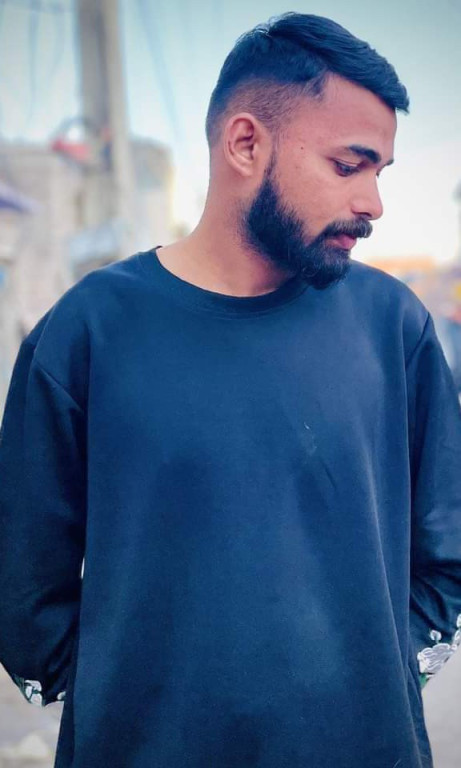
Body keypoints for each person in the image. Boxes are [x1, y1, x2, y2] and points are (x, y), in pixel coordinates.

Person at [1, 12, 460, 768]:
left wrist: (375, 682)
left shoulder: (393, 326)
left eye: (379, 172)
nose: (373, 202)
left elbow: (447, 549)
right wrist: (123, 701)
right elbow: (23, 584)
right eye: (349, 165)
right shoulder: (88, 331)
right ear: (246, 143)